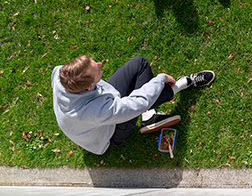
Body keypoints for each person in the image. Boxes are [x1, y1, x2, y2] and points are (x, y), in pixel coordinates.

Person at [51, 55, 215, 155]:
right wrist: (160, 79)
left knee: (140, 64)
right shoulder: (97, 111)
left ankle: (149, 118)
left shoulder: (60, 73)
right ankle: (184, 83)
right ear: (89, 87)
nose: (100, 64)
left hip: (96, 113)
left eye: (94, 62)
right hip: (109, 136)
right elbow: (139, 103)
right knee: (143, 101)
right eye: (97, 70)